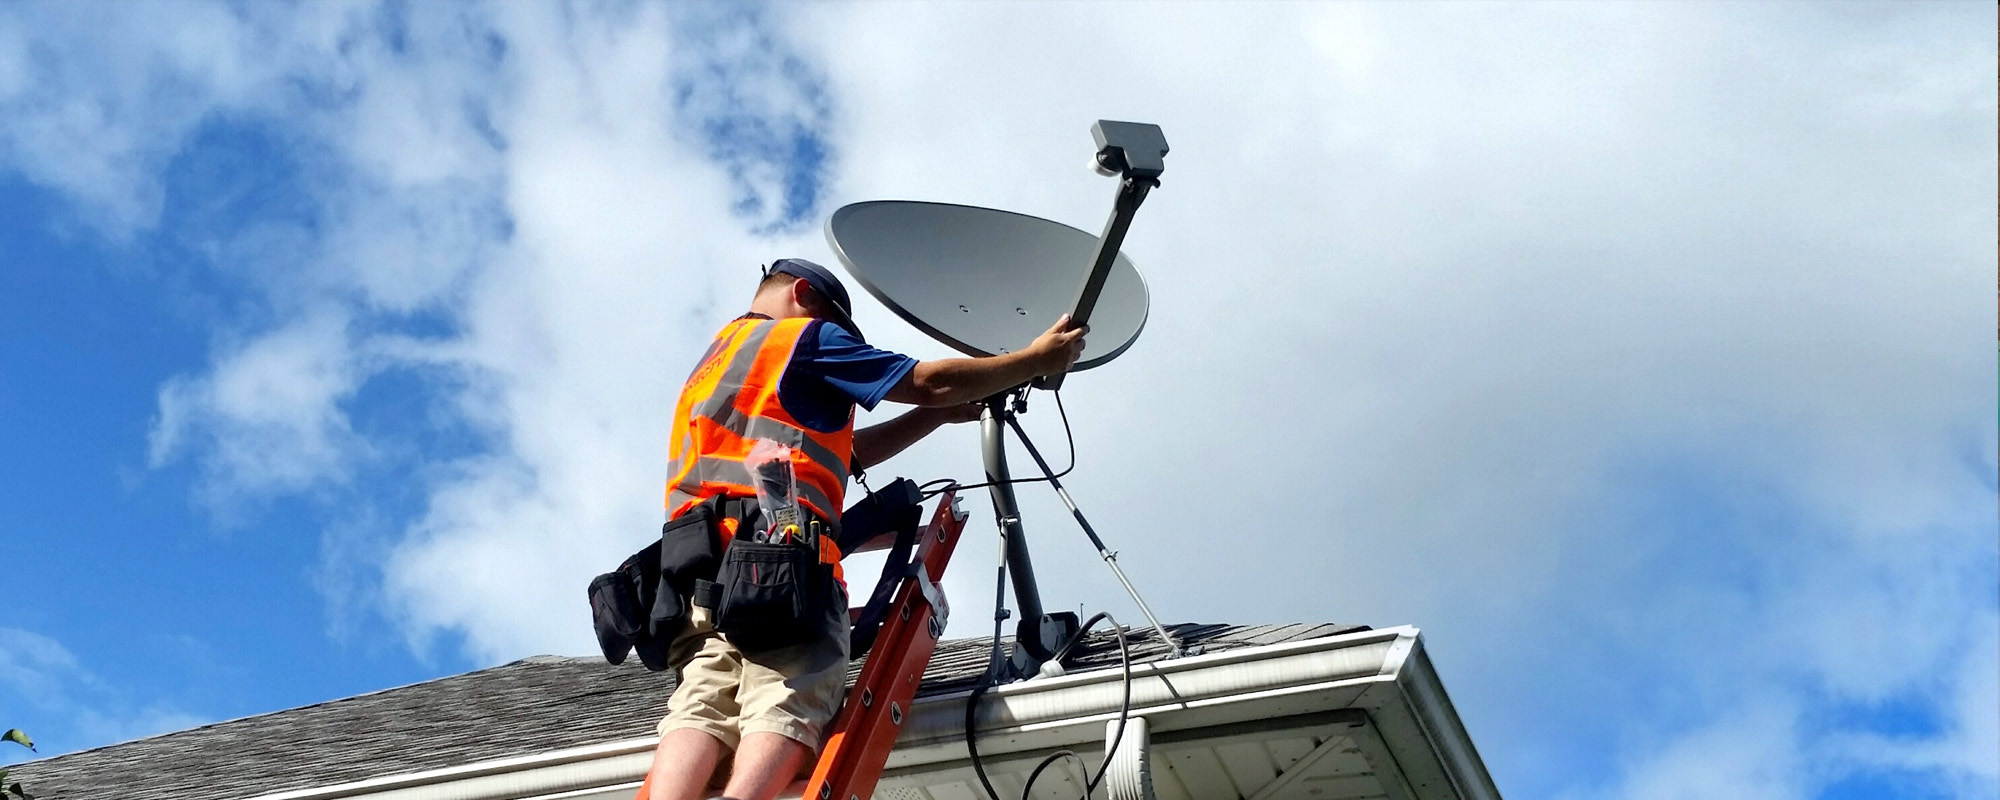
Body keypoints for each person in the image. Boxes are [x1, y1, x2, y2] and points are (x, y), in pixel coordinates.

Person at [646, 258, 1087, 800]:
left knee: (702, 703)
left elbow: (833, 453)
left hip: (697, 572)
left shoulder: (717, 359)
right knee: (789, 696)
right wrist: (1030, 361)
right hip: (779, 564)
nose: (843, 345)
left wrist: (938, 417)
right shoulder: (804, 338)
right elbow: (931, 381)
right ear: (803, 293)